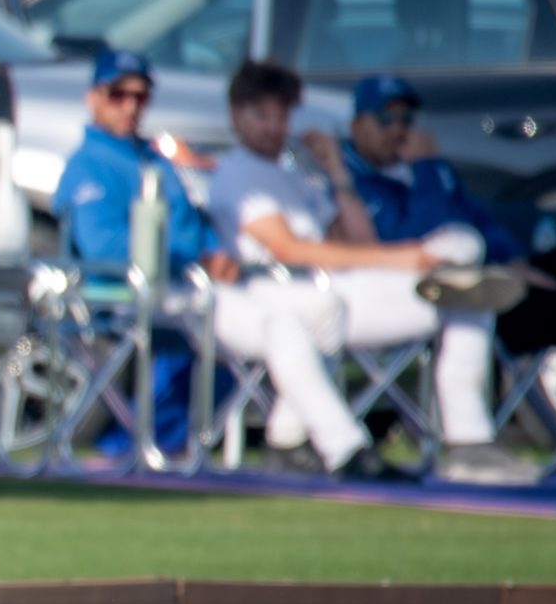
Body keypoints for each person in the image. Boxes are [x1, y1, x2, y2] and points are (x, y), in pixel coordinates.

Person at [53, 51, 400, 480]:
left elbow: (198, 224)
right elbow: (104, 246)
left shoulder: (155, 157)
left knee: (324, 307)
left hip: (202, 285)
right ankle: (345, 447)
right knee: (282, 325)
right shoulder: (89, 165)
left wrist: (218, 250)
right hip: (146, 294)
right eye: (118, 94)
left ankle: (286, 440)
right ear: (94, 98)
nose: (130, 106)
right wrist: (195, 258)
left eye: (140, 97)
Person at [205, 61, 537, 486]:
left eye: (281, 115)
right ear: (236, 115)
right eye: (262, 115)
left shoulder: (293, 175)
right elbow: (291, 250)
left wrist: (337, 173)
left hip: (337, 292)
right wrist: (401, 259)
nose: (274, 128)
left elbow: (358, 241)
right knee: (457, 282)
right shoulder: (238, 174)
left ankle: (468, 441)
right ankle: (322, 443)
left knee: (467, 276)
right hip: (287, 293)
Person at [341, 73, 556, 309]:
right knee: (464, 259)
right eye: (384, 118)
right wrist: (425, 169)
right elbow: (413, 237)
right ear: (356, 126)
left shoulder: (429, 168)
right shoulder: (349, 177)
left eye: (406, 119)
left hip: (470, 275)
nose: (397, 130)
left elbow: (475, 215)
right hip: (401, 284)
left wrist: (512, 259)